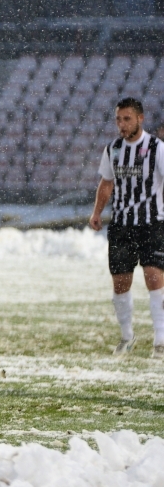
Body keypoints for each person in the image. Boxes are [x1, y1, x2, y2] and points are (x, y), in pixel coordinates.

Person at [89, 98, 164, 359]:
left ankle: (160, 340)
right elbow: (106, 183)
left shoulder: (157, 148)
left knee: (154, 277)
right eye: (119, 119)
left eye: (127, 119)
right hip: (121, 224)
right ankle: (127, 336)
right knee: (121, 282)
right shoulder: (114, 149)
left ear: (140, 119)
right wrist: (97, 212)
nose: (122, 124)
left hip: (152, 223)